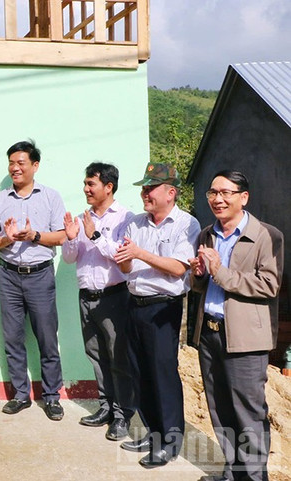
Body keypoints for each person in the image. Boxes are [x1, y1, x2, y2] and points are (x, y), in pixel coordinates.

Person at [189, 170, 283, 481]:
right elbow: (200, 286)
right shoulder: (207, 234)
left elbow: (268, 285)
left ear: (244, 197)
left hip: (245, 339)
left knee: (248, 413)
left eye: (226, 193)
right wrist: (199, 274)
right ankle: (232, 472)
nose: (218, 199)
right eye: (213, 193)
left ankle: (254, 477)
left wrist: (220, 271)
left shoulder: (266, 235)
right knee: (220, 408)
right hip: (210, 332)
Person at [113, 161, 200, 468]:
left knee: (163, 375)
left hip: (163, 308)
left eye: (151, 188)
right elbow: (126, 266)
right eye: (144, 188)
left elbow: (177, 268)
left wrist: (139, 254)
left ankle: (170, 442)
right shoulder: (136, 223)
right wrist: (126, 259)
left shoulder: (186, 224)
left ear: (170, 192)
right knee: (140, 373)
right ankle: (153, 433)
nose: (145, 194)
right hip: (134, 303)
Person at [0, 140, 67, 421]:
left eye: (21, 163)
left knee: (47, 338)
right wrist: (6, 240)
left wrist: (35, 236)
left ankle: (52, 397)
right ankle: (20, 395)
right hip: (8, 276)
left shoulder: (51, 197)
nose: (15, 168)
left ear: (35, 165)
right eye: (11, 163)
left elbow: (62, 236)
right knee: (13, 338)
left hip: (40, 275)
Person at [61, 162, 135, 440]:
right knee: (96, 356)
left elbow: (121, 255)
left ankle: (122, 413)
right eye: (85, 183)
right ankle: (105, 407)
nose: (86, 189)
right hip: (86, 297)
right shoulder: (83, 218)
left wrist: (94, 234)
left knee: (118, 357)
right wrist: (71, 238)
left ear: (108, 187)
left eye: (91, 184)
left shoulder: (126, 218)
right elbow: (70, 258)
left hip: (114, 297)